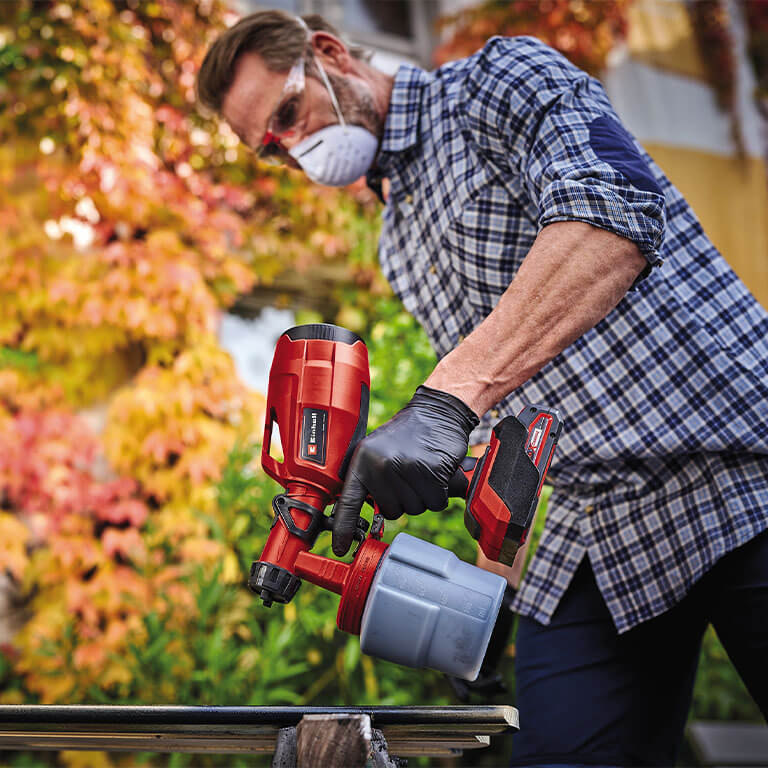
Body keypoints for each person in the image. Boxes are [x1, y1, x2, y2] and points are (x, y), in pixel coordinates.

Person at [197, 10, 768, 767]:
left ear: (330, 54)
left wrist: (440, 403)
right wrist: (489, 600)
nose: (294, 149)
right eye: (272, 148)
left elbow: (612, 212)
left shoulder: (498, 82)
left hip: (733, 465)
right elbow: (505, 417)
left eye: (289, 115)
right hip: (594, 526)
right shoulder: (396, 237)